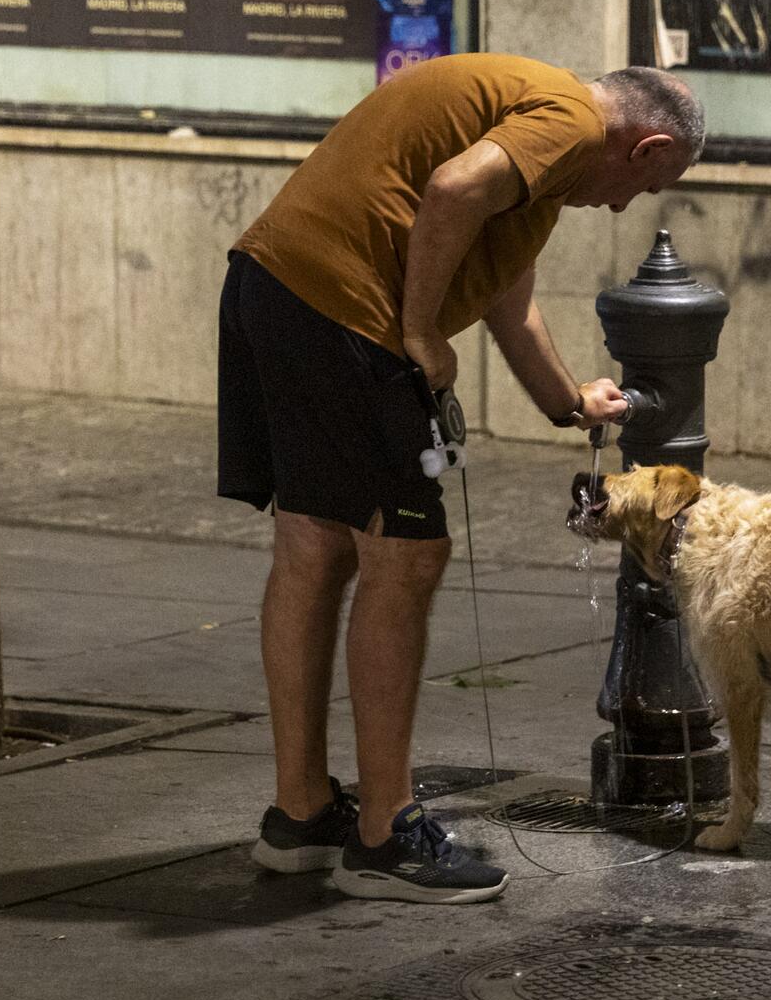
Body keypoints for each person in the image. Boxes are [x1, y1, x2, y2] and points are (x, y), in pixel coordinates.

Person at [217, 56, 705, 904]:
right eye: (646, 185)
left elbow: (505, 296)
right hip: (346, 313)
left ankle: (300, 814)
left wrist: (567, 402)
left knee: (315, 545)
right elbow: (451, 191)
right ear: (646, 144)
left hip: (274, 285)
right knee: (407, 556)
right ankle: (385, 834)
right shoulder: (572, 122)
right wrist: (419, 334)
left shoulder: (532, 143)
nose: (623, 206)